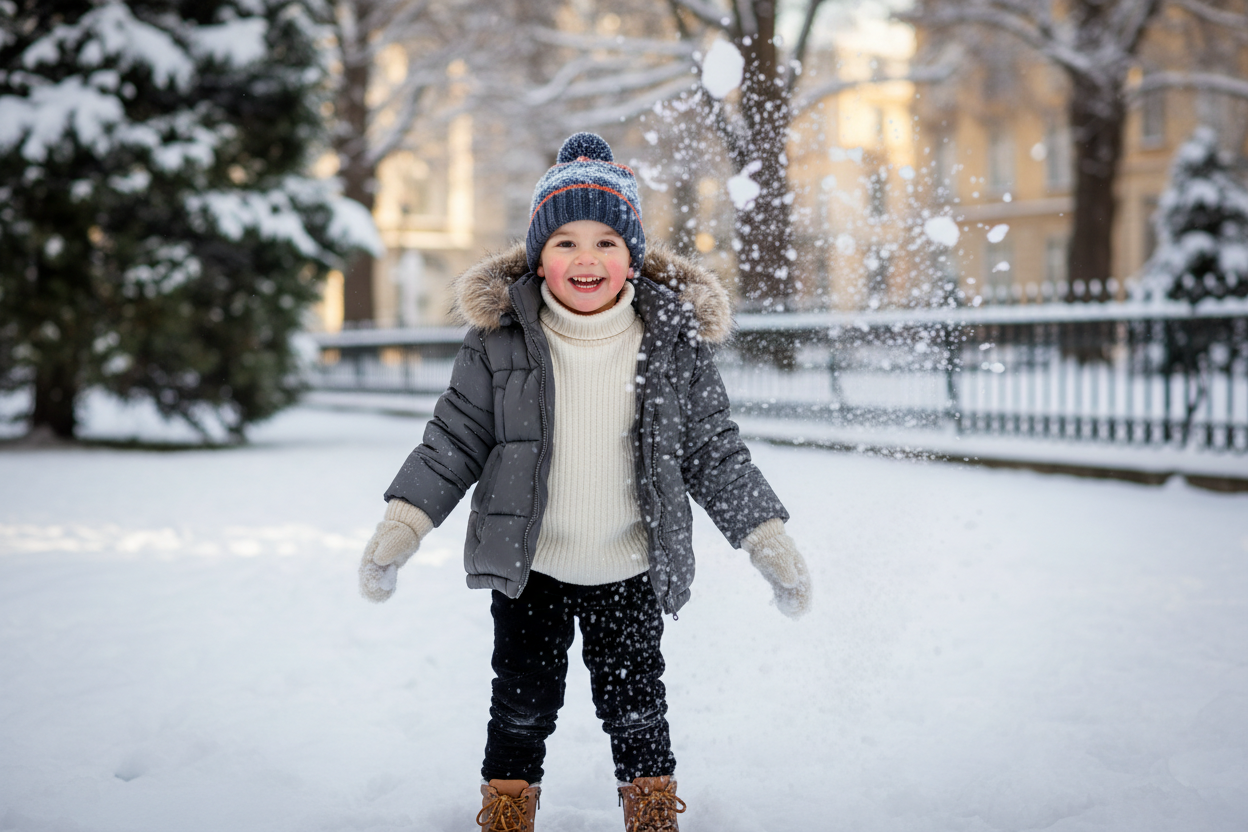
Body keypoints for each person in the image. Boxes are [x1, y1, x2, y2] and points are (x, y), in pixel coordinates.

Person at [358, 132, 812, 832]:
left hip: (628, 564)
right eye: (565, 241)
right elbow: (453, 439)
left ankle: (651, 807)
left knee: (636, 705)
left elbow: (713, 451)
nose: (586, 258)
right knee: (521, 700)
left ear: (633, 258)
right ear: (539, 255)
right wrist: (404, 523)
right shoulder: (501, 341)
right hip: (531, 565)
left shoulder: (668, 341)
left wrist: (765, 535)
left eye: (606, 241)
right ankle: (508, 808)